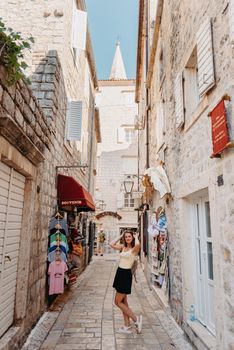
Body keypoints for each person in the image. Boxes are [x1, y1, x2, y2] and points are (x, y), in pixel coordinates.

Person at [109, 230, 143, 334]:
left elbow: (138, 244)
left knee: (117, 301)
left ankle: (136, 320)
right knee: (124, 302)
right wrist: (121, 235)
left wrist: (136, 236)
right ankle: (127, 326)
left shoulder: (134, 249)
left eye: (129, 236)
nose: (128, 238)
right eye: (126, 236)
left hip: (125, 275)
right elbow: (111, 244)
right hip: (119, 273)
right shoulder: (123, 247)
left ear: (132, 237)